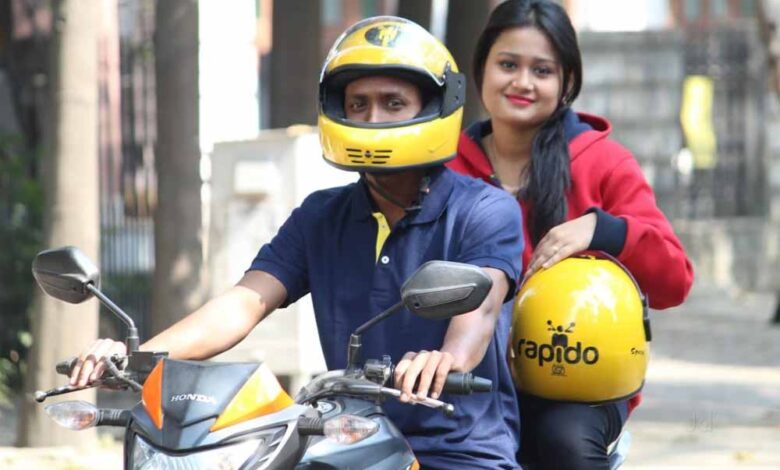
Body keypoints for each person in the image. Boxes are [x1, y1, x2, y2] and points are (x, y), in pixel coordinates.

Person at [70, 17, 523, 470]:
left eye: (393, 103)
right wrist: (137, 357)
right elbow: (243, 304)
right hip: (348, 441)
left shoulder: (484, 210)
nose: (372, 119)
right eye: (358, 104)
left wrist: (444, 360)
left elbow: (479, 311)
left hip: (459, 450)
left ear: (434, 106)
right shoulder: (321, 216)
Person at [446, 1, 694, 469]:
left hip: (575, 381)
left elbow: (675, 281)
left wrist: (605, 229)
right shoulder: (445, 168)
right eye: (507, 65)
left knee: (563, 441)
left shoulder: (603, 163)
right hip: (466, 372)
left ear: (567, 82)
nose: (522, 82)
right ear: (481, 70)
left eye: (542, 70)